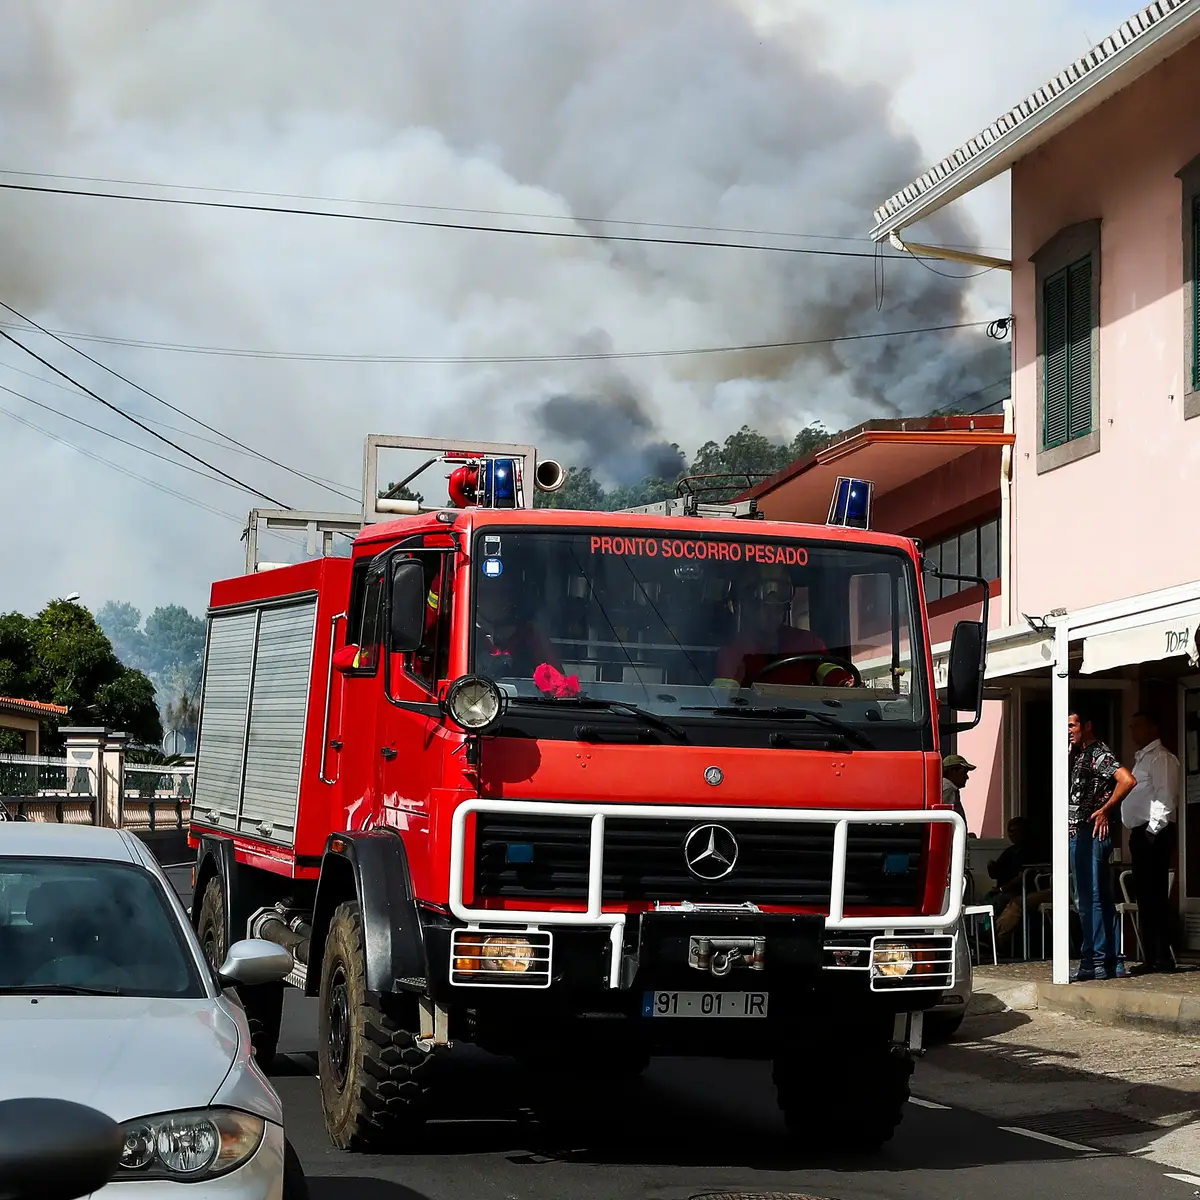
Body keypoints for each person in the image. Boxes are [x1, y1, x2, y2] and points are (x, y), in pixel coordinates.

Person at [1068, 707, 1137, 982]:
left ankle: (1096, 960)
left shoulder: (1098, 753)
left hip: (1089, 831)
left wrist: (1106, 810)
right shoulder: (1078, 755)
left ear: (1086, 725)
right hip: (1081, 831)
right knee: (1098, 898)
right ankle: (1108, 960)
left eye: (1072, 725)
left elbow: (1127, 780)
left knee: (1090, 898)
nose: (1069, 732)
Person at [713, 566, 857, 689]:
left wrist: (844, 683)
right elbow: (723, 699)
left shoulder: (807, 643)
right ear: (746, 607)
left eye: (778, 608)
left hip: (806, 718)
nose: (773, 615)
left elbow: (828, 670)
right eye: (764, 608)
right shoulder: (734, 652)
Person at [1122, 712, 1179, 974]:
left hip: (1154, 832)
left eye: (1138, 726)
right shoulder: (1142, 758)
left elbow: (1165, 796)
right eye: (1131, 727)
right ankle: (1151, 956)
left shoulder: (1161, 757)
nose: (1133, 732)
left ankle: (1163, 956)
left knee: (1155, 895)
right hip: (1141, 832)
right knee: (1145, 896)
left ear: (1152, 728)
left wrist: (1152, 831)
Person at [472, 564, 560, 679]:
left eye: (504, 592)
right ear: (476, 596)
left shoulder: (531, 634)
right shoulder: (463, 633)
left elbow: (558, 683)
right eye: (489, 591)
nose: (498, 599)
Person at [941, 754, 973, 826]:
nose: (967, 777)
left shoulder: (943, 786)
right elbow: (945, 822)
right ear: (952, 770)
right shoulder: (949, 788)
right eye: (964, 772)